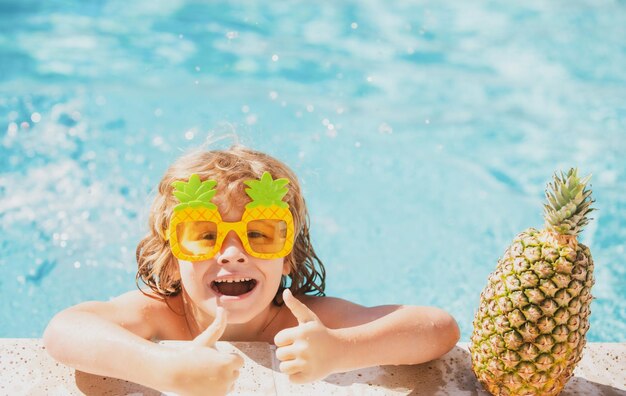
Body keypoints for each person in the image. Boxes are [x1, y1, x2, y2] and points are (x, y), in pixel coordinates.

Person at [44, 145, 460, 396]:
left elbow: (438, 329)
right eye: (204, 236)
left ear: (289, 257)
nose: (233, 254)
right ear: (171, 257)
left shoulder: (305, 322)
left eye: (259, 235)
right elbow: (65, 330)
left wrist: (341, 349)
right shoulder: (161, 313)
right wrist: (161, 367)